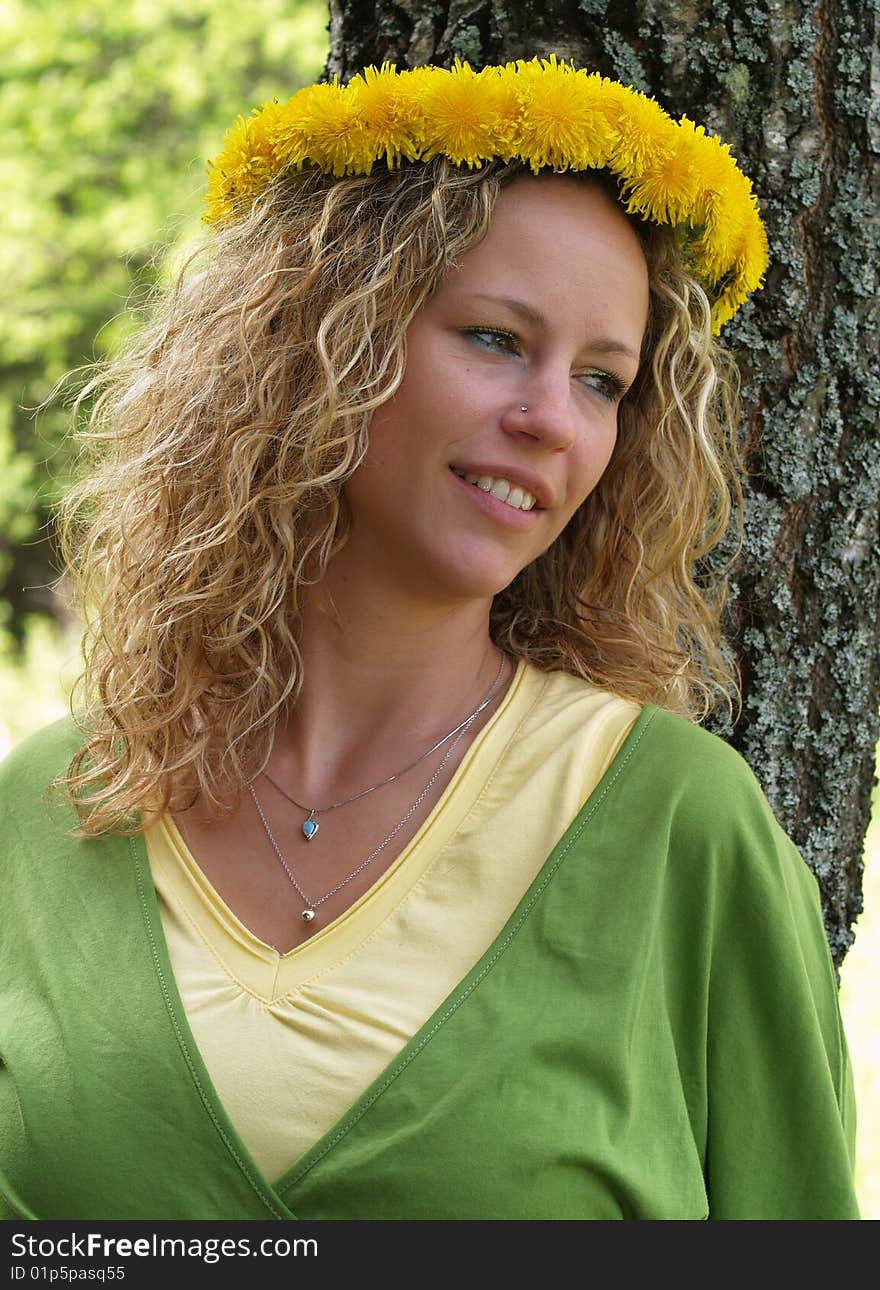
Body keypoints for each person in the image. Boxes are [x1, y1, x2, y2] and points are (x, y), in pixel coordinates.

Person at [0, 56, 859, 1220]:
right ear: (319, 343)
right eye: (498, 339)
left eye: (603, 382)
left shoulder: (675, 827)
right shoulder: (54, 808)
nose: (551, 419)